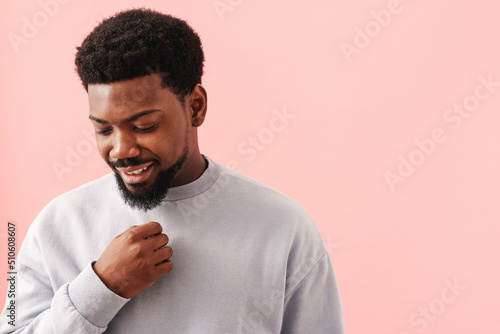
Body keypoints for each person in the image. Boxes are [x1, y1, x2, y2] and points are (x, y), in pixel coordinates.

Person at [0, 8, 344, 334]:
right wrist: (101, 289)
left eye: (145, 125)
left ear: (195, 106)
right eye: (104, 129)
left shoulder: (283, 228)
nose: (121, 150)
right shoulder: (56, 225)